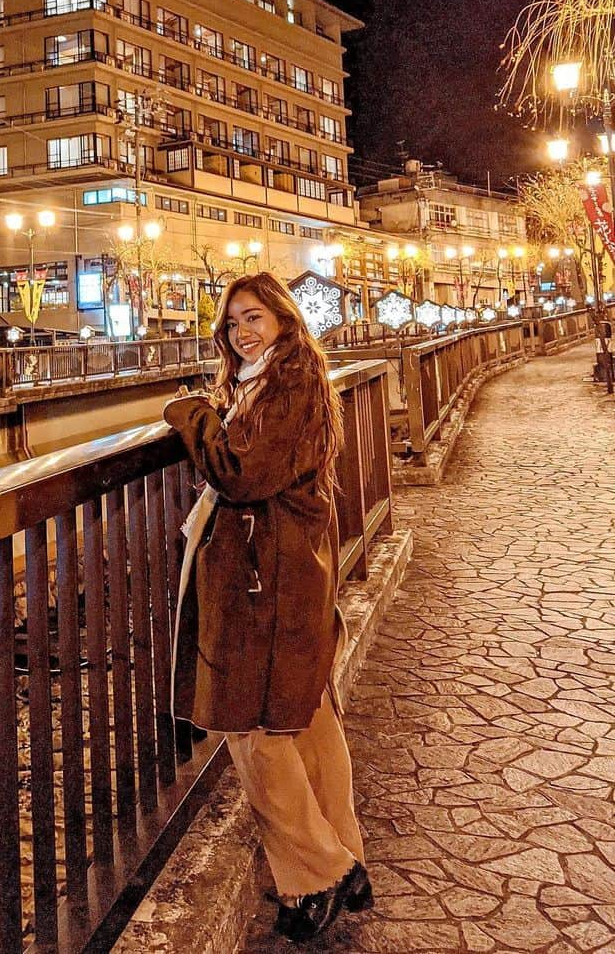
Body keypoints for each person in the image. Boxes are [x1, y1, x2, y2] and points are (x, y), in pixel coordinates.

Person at [163, 272, 372, 944]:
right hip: (281, 575)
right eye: (232, 324)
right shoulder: (278, 379)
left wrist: (189, 414)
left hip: (267, 586)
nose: (242, 332)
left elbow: (242, 474)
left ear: (283, 318)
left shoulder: (285, 385)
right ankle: (347, 857)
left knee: (254, 733)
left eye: (254, 317)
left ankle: (317, 874)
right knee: (305, 721)